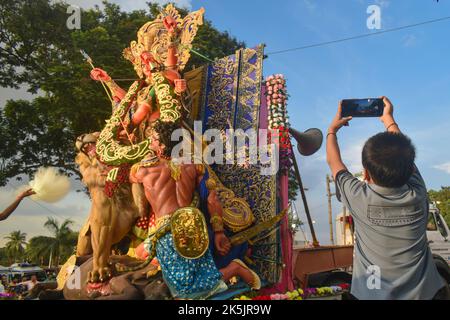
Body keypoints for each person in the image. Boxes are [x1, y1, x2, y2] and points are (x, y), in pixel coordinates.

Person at [326, 96, 449, 300]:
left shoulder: (358, 197)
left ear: (366, 173)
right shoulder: (417, 193)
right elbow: (406, 157)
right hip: (426, 294)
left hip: (369, 294)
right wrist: (388, 119)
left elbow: (333, 162)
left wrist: (332, 130)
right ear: (410, 168)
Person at [132, 120, 261, 299]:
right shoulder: (194, 165)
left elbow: (119, 181)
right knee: (194, 275)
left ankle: (235, 269)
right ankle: (232, 270)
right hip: (194, 226)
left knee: (184, 292)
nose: (150, 143)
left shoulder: (142, 170)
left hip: (169, 233)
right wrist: (218, 232)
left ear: (161, 145)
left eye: (153, 140)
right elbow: (211, 198)